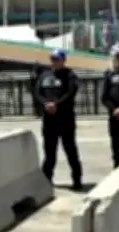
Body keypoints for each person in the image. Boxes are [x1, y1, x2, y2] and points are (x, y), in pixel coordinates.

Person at [34, 49, 83, 190]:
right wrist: (45, 104)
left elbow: (70, 93)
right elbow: (37, 92)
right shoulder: (44, 75)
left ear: (63, 60)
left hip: (65, 119)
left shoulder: (70, 75)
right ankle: (46, 180)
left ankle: (77, 180)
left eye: (57, 59)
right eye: (53, 59)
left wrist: (57, 105)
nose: (55, 62)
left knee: (70, 150)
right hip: (49, 120)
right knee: (49, 152)